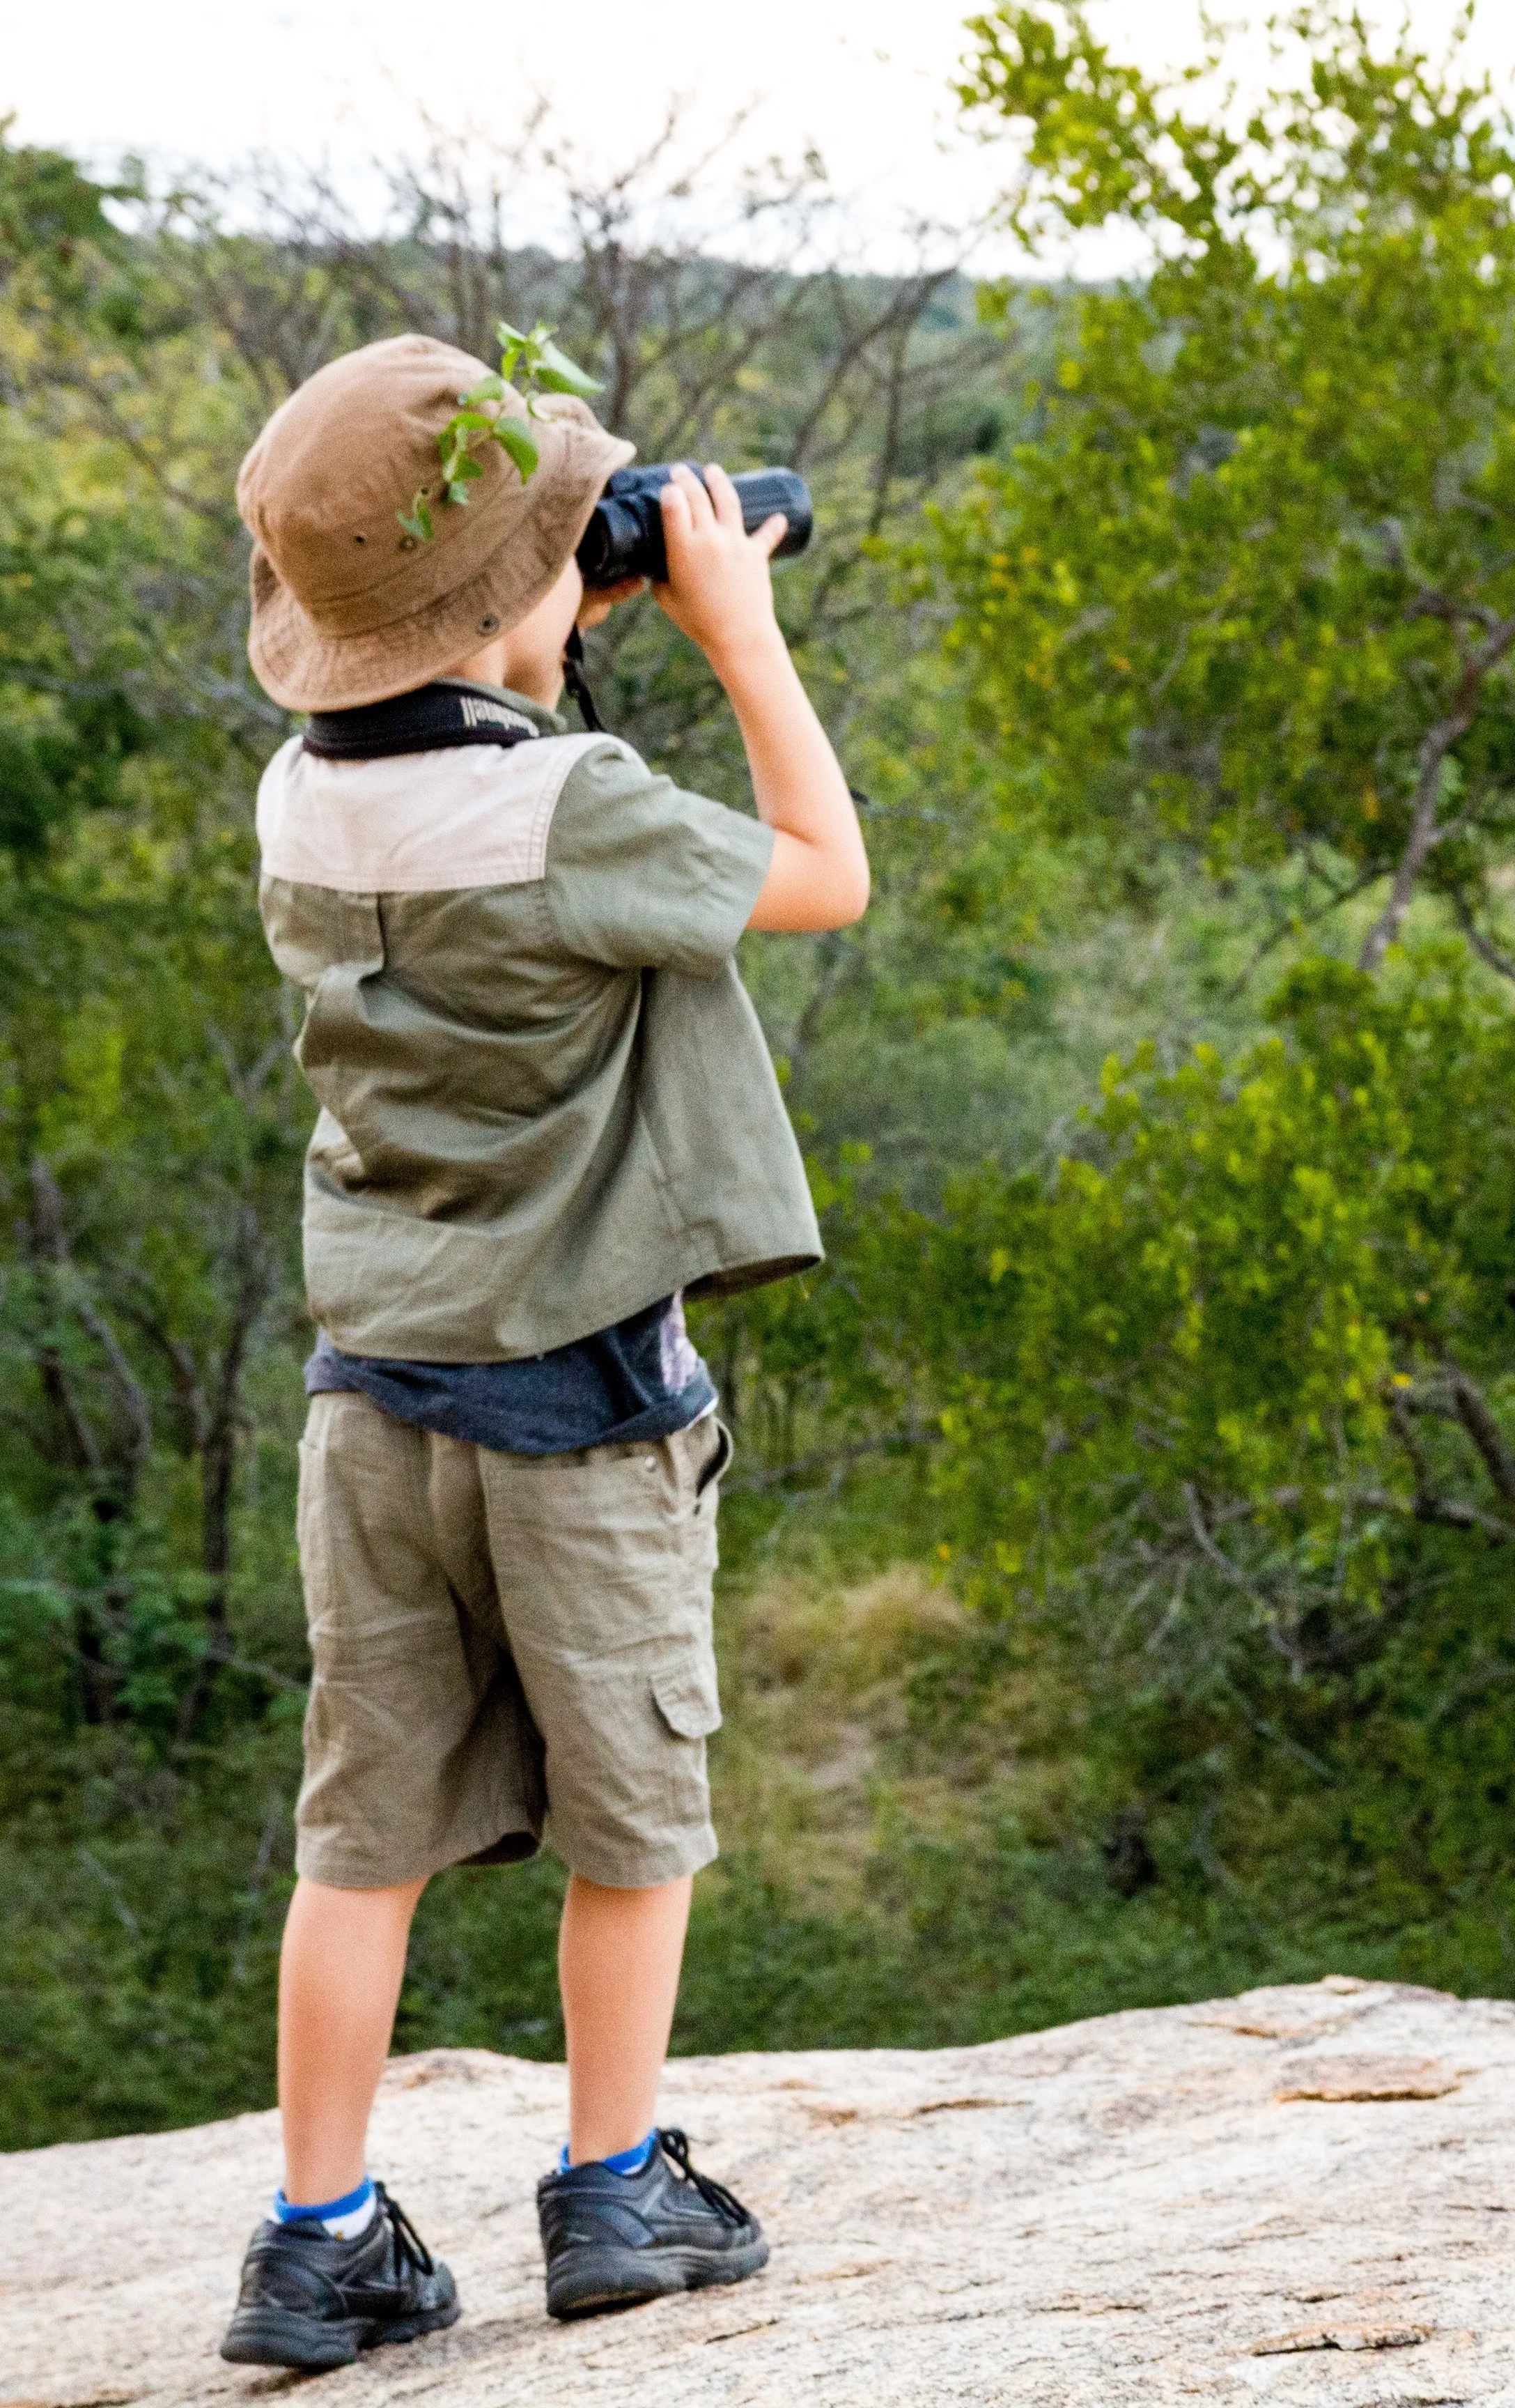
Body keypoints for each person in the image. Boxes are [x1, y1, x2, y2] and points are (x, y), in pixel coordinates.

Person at [213, 334, 869, 2371]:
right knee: (629, 1808)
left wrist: (543, 599)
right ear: (525, 596)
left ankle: (315, 2238)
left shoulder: (303, 798)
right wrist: (736, 626)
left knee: (364, 1828)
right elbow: (825, 876)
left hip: (371, 1399)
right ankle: (614, 2188)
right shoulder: (581, 805)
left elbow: (447, 732)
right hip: (580, 1402)